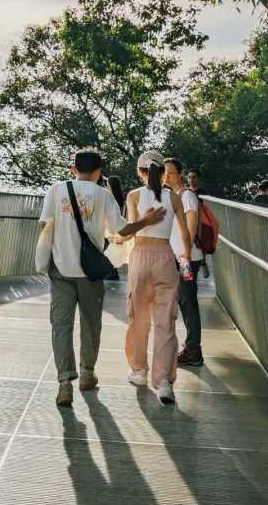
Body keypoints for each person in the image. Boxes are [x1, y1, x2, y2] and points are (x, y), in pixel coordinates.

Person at [39, 148, 166, 407]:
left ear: (74, 169)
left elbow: (44, 225)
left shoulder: (56, 189)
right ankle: (87, 374)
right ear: (99, 172)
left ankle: (64, 383)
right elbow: (122, 230)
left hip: (60, 270)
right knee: (91, 323)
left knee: (61, 326)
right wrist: (145, 221)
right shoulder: (103, 194)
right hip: (90, 271)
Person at [125, 151, 193, 405]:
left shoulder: (133, 196)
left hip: (141, 256)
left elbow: (132, 229)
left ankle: (139, 371)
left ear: (140, 171)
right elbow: (185, 235)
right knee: (166, 320)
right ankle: (164, 382)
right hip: (165, 256)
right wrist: (185, 261)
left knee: (139, 317)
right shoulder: (174, 198)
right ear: (164, 173)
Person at [166, 157, 204, 367]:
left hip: (185, 258)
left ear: (181, 173)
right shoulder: (172, 196)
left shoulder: (186, 196)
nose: (167, 176)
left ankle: (193, 350)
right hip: (179, 256)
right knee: (184, 300)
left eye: (171, 172)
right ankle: (192, 348)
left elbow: (191, 227)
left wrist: (186, 255)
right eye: (165, 172)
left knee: (188, 301)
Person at [186, 167, 212, 279]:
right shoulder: (185, 192)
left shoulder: (203, 193)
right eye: (189, 177)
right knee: (185, 248)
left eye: (194, 177)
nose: (191, 179)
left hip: (200, 224)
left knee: (198, 245)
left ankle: (201, 265)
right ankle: (188, 274)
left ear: (198, 179)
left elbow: (208, 209)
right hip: (186, 224)